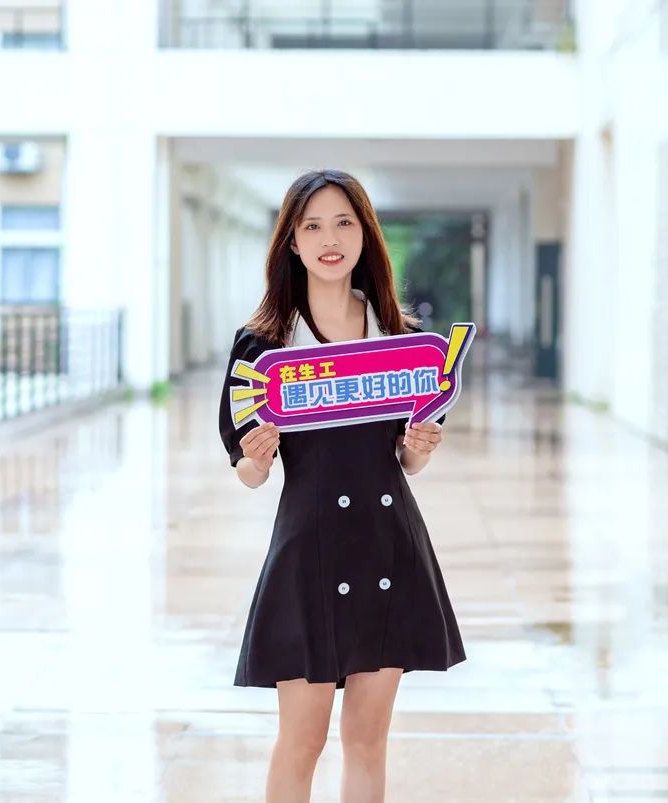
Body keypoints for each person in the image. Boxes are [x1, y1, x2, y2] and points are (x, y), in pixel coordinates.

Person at [218, 169, 466, 803]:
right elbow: (247, 471)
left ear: (365, 235)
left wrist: (418, 449)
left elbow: (407, 462)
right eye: (312, 226)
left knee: (367, 741)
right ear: (292, 242)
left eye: (344, 223)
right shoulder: (264, 346)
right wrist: (258, 457)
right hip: (308, 549)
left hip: (388, 544)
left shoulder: (401, 340)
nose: (329, 240)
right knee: (301, 742)